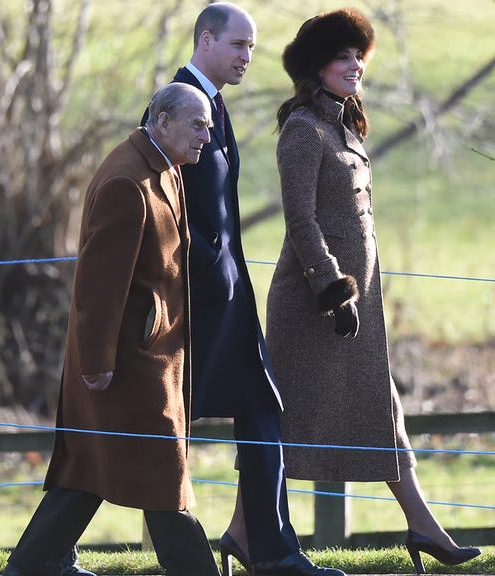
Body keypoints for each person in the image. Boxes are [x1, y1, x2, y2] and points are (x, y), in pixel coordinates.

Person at [266, 8, 482, 575]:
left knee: (379, 409)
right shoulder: (302, 130)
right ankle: (246, 532)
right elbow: (301, 221)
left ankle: (423, 526)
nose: (355, 64)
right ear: (317, 67)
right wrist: (333, 289)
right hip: (314, 303)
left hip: (354, 307)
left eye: (358, 55)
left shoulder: (343, 125)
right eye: (343, 56)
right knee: (289, 426)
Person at [148, 3, 343, 576]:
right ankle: (55, 544)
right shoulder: (175, 105)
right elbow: (162, 202)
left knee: (261, 409)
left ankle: (268, 547)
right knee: (155, 423)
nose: (247, 58)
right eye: (238, 45)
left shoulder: (213, 104)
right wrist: (204, 272)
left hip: (228, 297)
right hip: (196, 303)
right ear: (205, 40)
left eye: (252, 48)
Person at [2, 83, 220, 576]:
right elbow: (99, 286)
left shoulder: (164, 167)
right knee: (163, 480)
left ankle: (33, 565)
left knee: (88, 471)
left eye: (208, 126)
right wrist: (97, 362)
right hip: (128, 364)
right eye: (198, 125)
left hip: (153, 356)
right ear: (162, 121)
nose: (207, 136)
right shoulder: (128, 181)